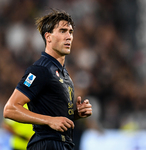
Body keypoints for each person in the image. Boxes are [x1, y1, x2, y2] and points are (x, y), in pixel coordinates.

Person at [3, 9, 92, 150]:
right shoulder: (40, 70)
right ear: (48, 37)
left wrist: (75, 115)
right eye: (63, 31)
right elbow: (10, 109)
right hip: (45, 145)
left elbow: (56, 119)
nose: (68, 36)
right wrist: (49, 120)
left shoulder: (64, 75)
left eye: (70, 32)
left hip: (64, 144)